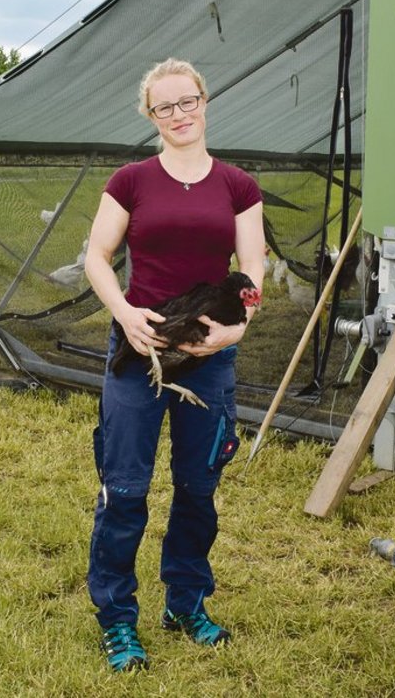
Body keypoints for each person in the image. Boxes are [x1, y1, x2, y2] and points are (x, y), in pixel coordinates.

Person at [83, 58, 266, 673]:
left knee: (197, 488)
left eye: (188, 101)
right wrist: (126, 314)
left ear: (205, 102)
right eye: (165, 107)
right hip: (141, 352)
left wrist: (233, 332)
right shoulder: (131, 180)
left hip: (209, 357)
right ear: (151, 115)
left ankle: (185, 603)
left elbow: (253, 271)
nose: (179, 114)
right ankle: (117, 620)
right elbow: (97, 257)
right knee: (126, 488)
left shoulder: (238, 186)